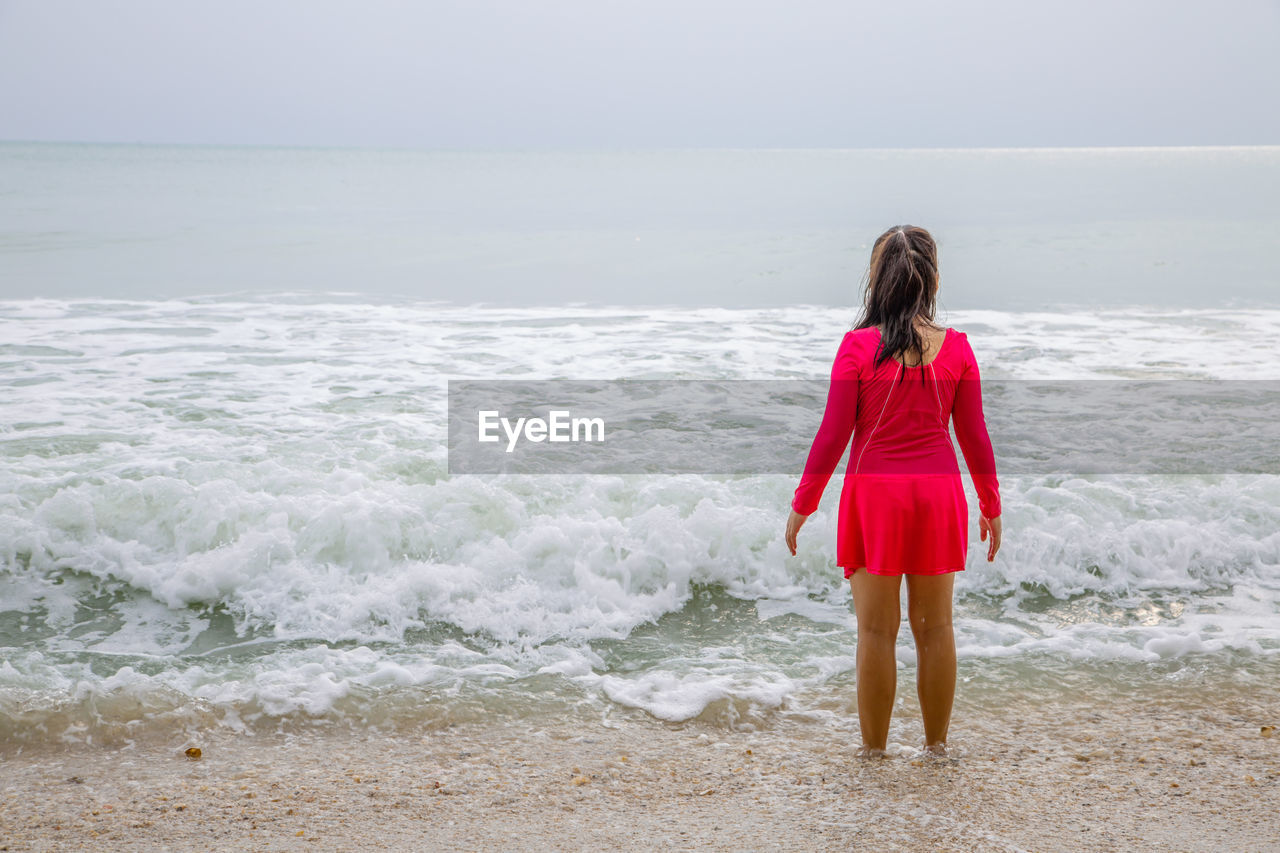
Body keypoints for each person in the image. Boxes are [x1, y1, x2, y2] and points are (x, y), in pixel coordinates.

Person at [783, 224, 1003, 759]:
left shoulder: (858, 347)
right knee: (937, 629)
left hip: (875, 498)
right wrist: (991, 505)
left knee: (876, 634)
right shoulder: (957, 349)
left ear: (878, 281)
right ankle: (936, 749)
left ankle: (875, 757)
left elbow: (833, 435)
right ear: (930, 280)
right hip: (938, 496)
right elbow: (974, 437)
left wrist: (802, 505)